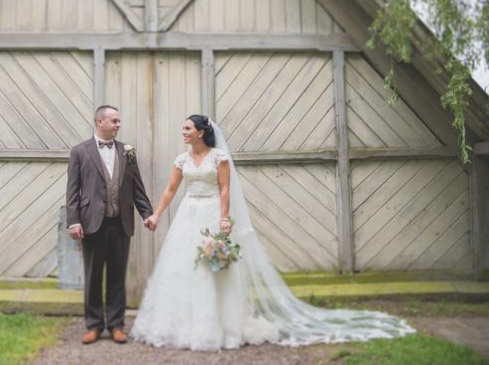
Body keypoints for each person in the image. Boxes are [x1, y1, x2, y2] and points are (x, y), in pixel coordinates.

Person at [131, 114, 414, 351]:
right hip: (188, 215)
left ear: (201, 132)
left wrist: (225, 219)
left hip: (212, 213)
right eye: (183, 128)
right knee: (183, 267)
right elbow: (170, 190)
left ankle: (221, 326)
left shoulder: (219, 157)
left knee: (213, 268)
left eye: (187, 128)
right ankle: (181, 324)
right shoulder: (181, 159)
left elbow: (225, 189)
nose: (183, 132)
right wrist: (156, 214)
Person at [66, 105, 155, 345]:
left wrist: (147, 213)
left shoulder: (128, 151)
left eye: (118, 121)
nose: (118, 125)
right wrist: (74, 221)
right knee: (93, 276)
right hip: (92, 224)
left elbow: (137, 187)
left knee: (117, 276)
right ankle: (94, 325)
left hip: (121, 223)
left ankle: (116, 325)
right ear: (100, 121)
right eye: (114, 121)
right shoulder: (79, 151)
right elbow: (72, 191)